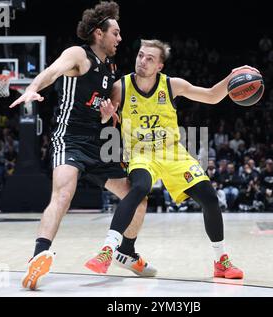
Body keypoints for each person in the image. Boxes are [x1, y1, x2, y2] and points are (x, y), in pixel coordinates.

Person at [9, 2, 156, 290]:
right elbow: (53, 71)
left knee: (137, 198)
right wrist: (31, 88)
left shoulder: (109, 67)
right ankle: (38, 256)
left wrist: (106, 116)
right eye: (115, 32)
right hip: (70, 138)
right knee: (64, 192)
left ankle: (125, 251)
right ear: (98, 33)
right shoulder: (78, 54)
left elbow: (102, 107)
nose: (120, 38)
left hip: (98, 142)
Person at [85, 39, 256, 279]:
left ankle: (221, 261)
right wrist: (105, 117)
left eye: (149, 59)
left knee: (209, 197)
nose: (142, 61)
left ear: (160, 66)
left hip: (173, 153)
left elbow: (212, 96)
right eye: (141, 55)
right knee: (140, 187)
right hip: (140, 153)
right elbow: (105, 119)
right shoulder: (120, 87)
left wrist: (234, 76)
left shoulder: (172, 85)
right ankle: (107, 249)